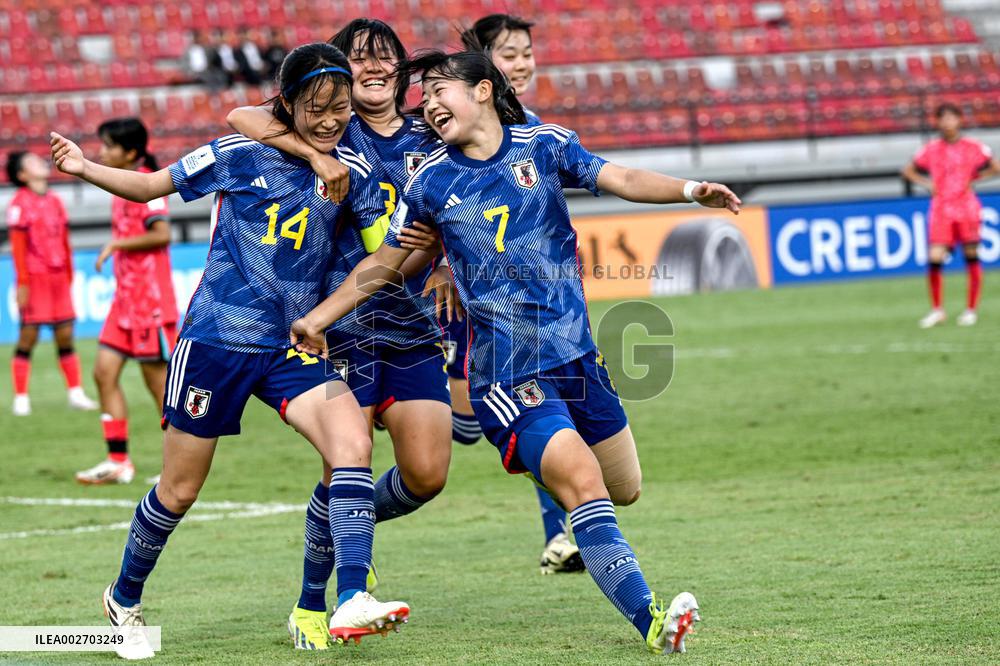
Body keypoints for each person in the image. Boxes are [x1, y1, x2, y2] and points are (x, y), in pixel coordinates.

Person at [290, 50, 742, 655]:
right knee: (583, 482)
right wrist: (317, 318)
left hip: (577, 358)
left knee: (624, 487)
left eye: (439, 91)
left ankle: (346, 513)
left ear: (482, 90)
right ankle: (655, 622)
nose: (429, 105)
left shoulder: (544, 145)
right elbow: (385, 263)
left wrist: (690, 190)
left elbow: (620, 178)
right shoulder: (430, 182)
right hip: (506, 372)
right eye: (424, 98)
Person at [51, 42, 410, 660]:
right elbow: (151, 186)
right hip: (215, 342)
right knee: (179, 490)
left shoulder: (353, 167)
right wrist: (84, 167)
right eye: (318, 108)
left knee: (352, 443)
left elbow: (380, 251)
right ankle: (124, 596)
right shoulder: (239, 153)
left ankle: (351, 595)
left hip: (290, 345)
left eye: (341, 108)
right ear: (288, 104)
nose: (331, 120)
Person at [227, 19, 452, 651]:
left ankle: (355, 529)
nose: (373, 67)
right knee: (343, 460)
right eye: (359, 58)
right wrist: (315, 154)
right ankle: (312, 604)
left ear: (402, 69)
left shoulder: (431, 134)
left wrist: (450, 260)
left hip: (411, 329)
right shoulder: (330, 125)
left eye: (385, 57)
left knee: (427, 474)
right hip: (338, 328)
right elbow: (242, 115)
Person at [458, 13, 583, 575]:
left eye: (527, 52)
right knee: (461, 430)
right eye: (509, 53)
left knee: (542, 408)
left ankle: (561, 533)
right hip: (453, 306)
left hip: (524, 311)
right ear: (482, 65)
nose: (523, 63)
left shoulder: (535, 132)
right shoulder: (445, 128)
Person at [73, 119, 178, 486]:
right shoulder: (119, 187)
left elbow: (162, 234)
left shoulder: (150, 183)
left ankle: (178, 465)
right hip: (125, 303)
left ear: (131, 152)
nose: (102, 152)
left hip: (150, 303)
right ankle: (118, 461)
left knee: (159, 387)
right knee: (103, 373)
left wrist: (117, 244)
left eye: (109, 145)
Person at [4, 151, 97, 416]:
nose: (40, 162)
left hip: (58, 278)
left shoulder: (56, 200)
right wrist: (23, 283)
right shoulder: (18, 204)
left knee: (65, 334)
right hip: (35, 278)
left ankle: (75, 392)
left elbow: (65, 241)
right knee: (28, 336)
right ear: (22, 175)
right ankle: (21, 397)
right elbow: (18, 249)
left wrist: (69, 274)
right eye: (31, 162)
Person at [903, 102, 1000, 328]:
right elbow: (908, 171)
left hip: (967, 207)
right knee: (935, 257)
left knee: (971, 256)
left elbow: (996, 167)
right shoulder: (930, 149)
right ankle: (937, 309)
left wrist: (975, 178)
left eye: (951, 117)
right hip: (941, 209)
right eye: (943, 118)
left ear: (959, 120)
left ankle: (971, 309)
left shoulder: (973, 147)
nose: (947, 122)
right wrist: (928, 184)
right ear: (937, 122)